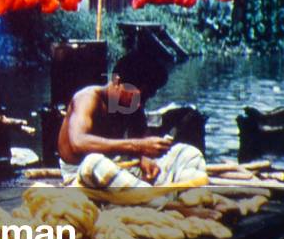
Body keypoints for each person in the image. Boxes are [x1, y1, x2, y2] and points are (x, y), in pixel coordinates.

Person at [57, 51, 207, 205]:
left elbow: (140, 139)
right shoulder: (87, 98)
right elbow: (78, 143)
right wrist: (139, 147)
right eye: (138, 97)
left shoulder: (133, 106)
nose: (140, 104)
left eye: (145, 98)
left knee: (187, 152)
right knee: (93, 162)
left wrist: (145, 158)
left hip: (120, 172)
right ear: (117, 82)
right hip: (82, 177)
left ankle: (187, 199)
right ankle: (169, 205)